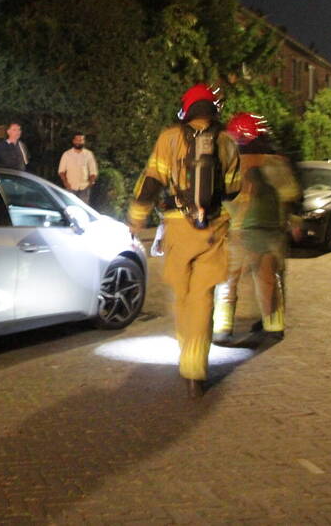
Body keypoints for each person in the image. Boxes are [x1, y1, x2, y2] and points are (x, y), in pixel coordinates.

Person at [127, 83, 240, 399]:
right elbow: (233, 189)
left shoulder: (169, 137)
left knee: (183, 294)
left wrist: (137, 217)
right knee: (204, 297)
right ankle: (195, 367)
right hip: (213, 228)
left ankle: (185, 350)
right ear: (213, 109)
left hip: (178, 225)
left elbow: (151, 182)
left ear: (186, 109)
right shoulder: (227, 142)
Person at [213, 112, 301, 347]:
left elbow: (219, 196)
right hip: (269, 233)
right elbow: (289, 193)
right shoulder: (274, 161)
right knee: (268, 280)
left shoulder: (227, 161)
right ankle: (273, 327)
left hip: (238, 232)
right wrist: (289, 221)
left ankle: (222, 329)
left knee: (226, 282)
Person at [58, 132, 98, 204]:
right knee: (70, 208)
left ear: (84, 141)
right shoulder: (67, 154)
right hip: (70, 187)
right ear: (73, 141)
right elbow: (61, 171)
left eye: (81, 140)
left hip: (84, 188)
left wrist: (91, 182)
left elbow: (93, 171)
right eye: (77, 140)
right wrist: (65, 182)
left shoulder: (88, 154)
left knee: (83, 210)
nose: (79, 142)